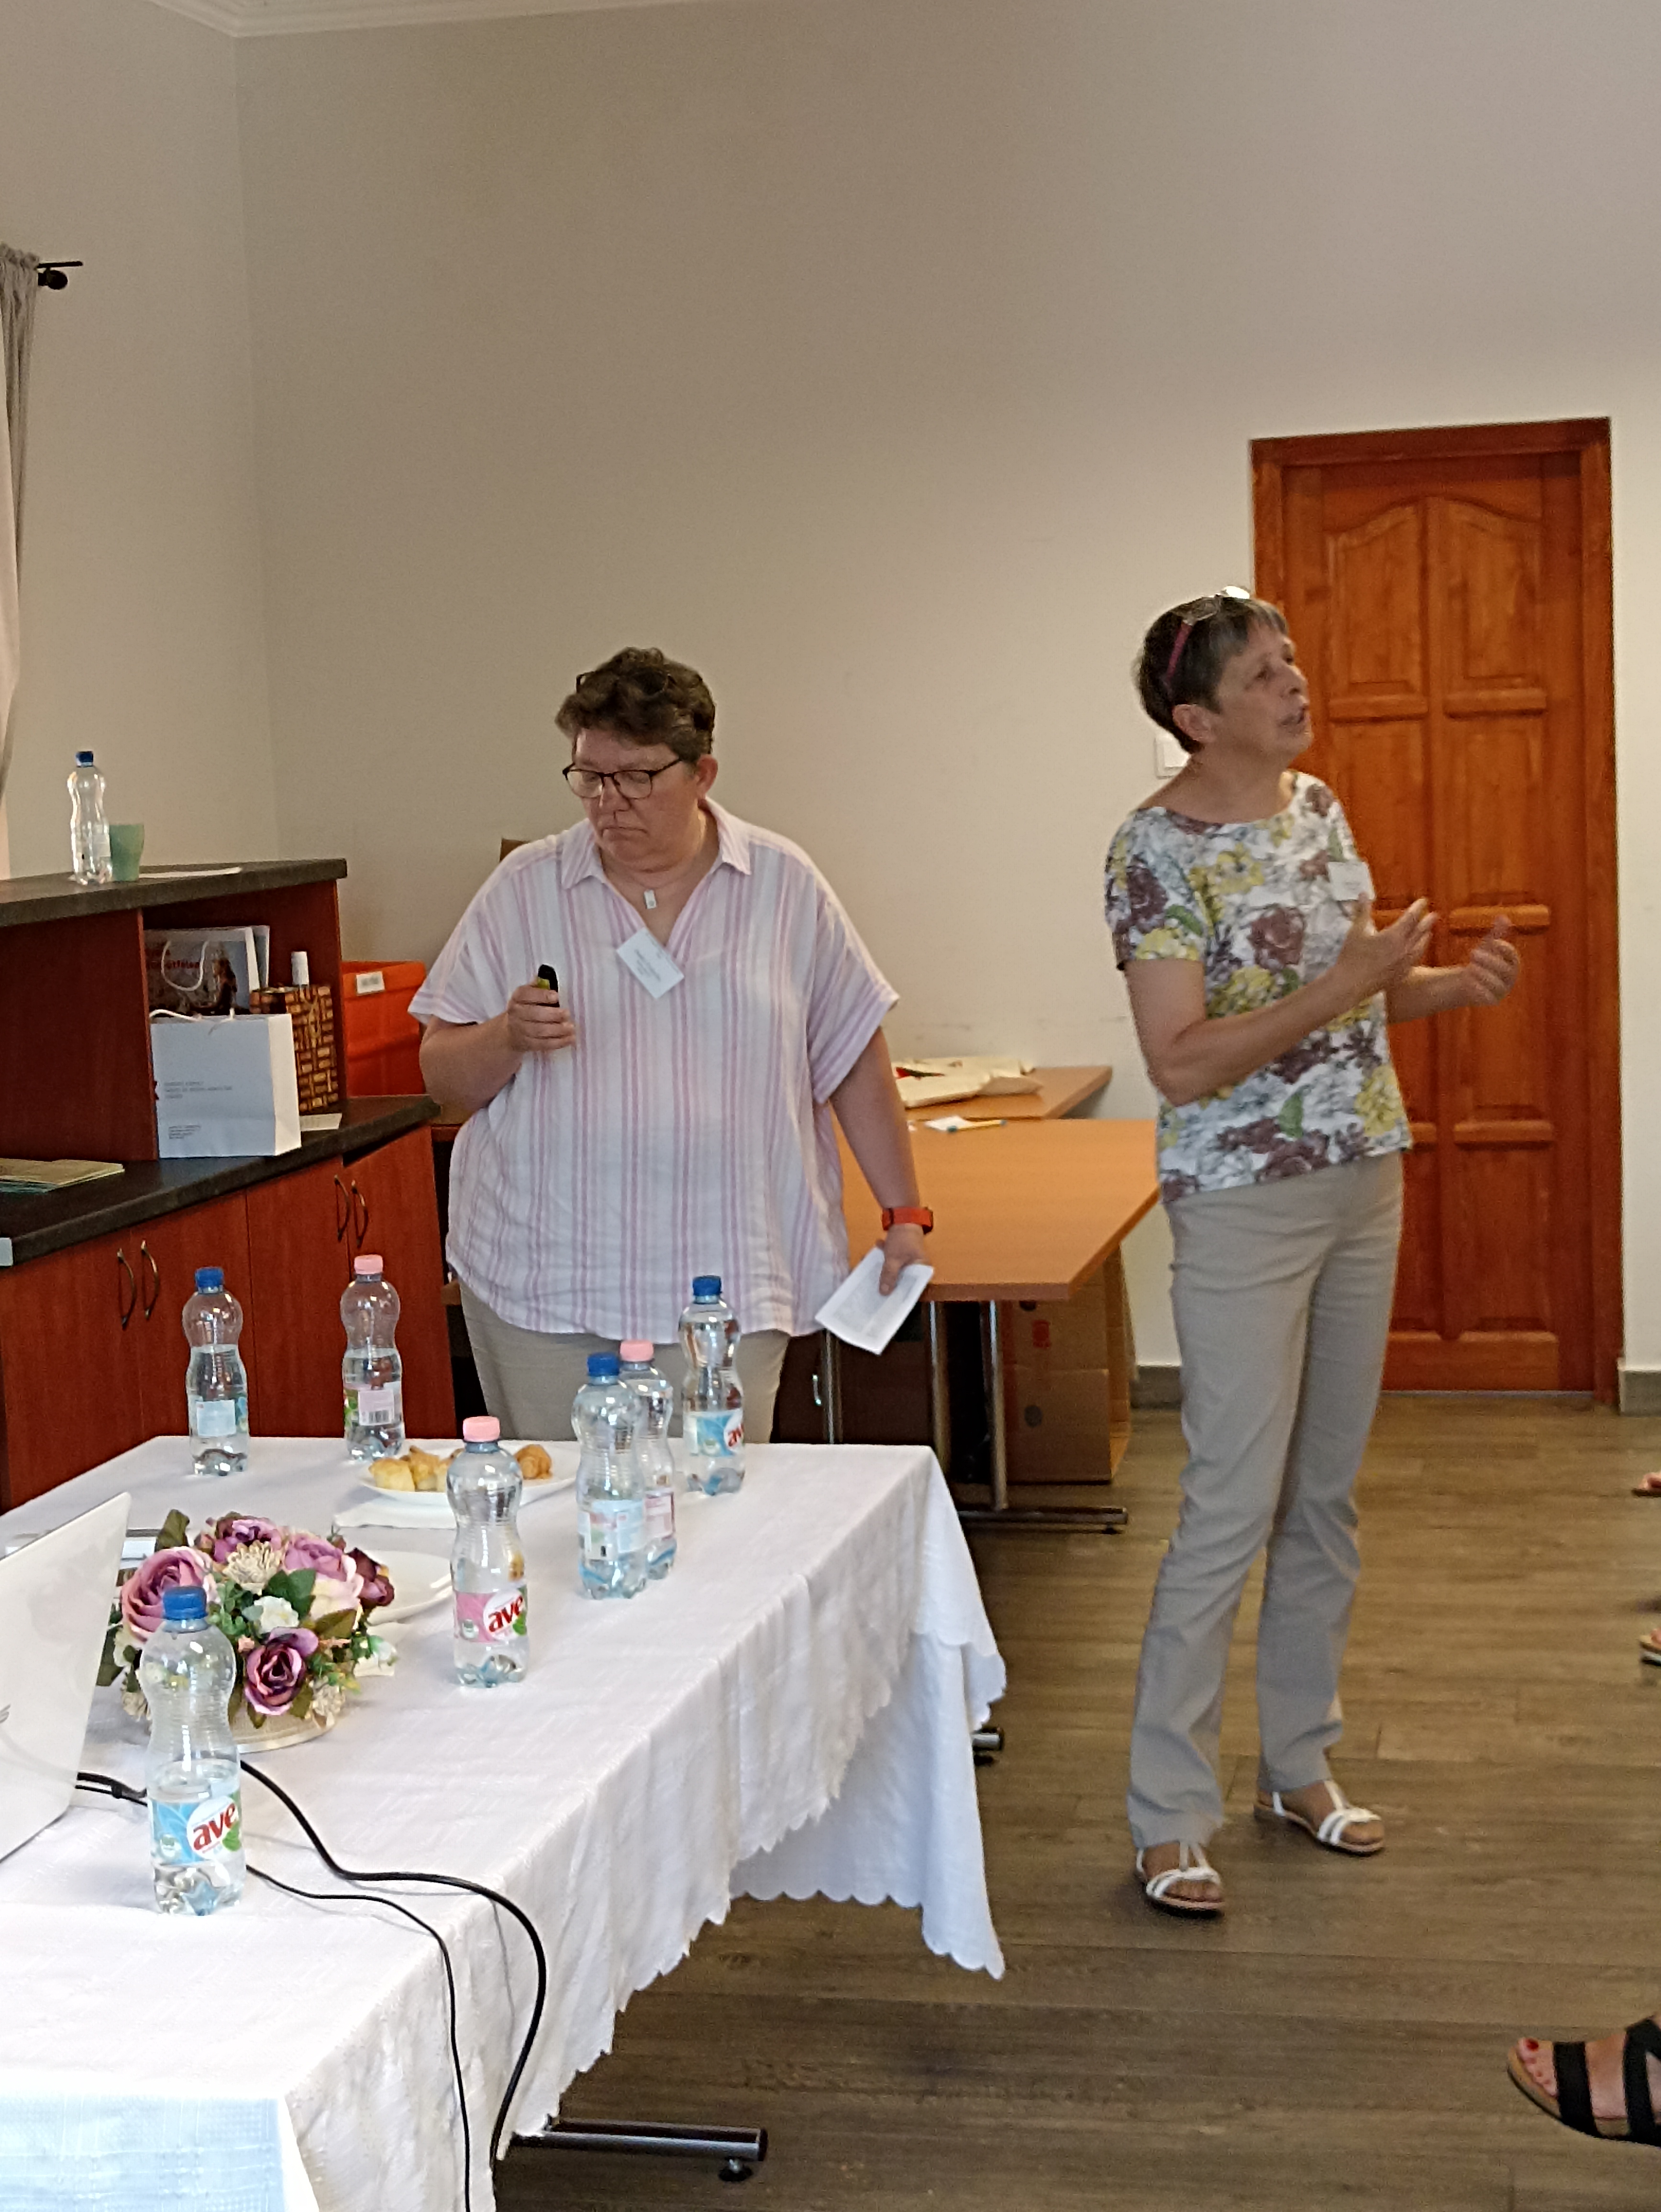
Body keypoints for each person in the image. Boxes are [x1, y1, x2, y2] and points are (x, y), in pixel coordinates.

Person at [1103, 589, 1520, 1916]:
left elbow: (1357, 993)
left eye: (1292, 666)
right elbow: (1180, 1060)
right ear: (1196, 717)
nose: (1295, 688)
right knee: (1228, 1504)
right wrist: (1349, 984)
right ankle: (1168, 1816)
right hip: (1241, 1199)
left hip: (1359, 1174)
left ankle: (1299, 1764)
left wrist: (1442, 988)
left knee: (1324, 1495)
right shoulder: (1152, 850)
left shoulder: (1317, 806)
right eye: (1265, 676)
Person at [413, 646, 931, 1443]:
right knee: (564, 1502)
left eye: (636, 777)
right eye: (591, 777)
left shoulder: (783, 886)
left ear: (702, 775)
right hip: (548, 1275)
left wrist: (904, 1213)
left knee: (718, 1498)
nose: (609, 802)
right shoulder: (524, 890)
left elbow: (854, 1057)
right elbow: (442, 1077)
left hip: (731, 1272)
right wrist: (507, 1036)